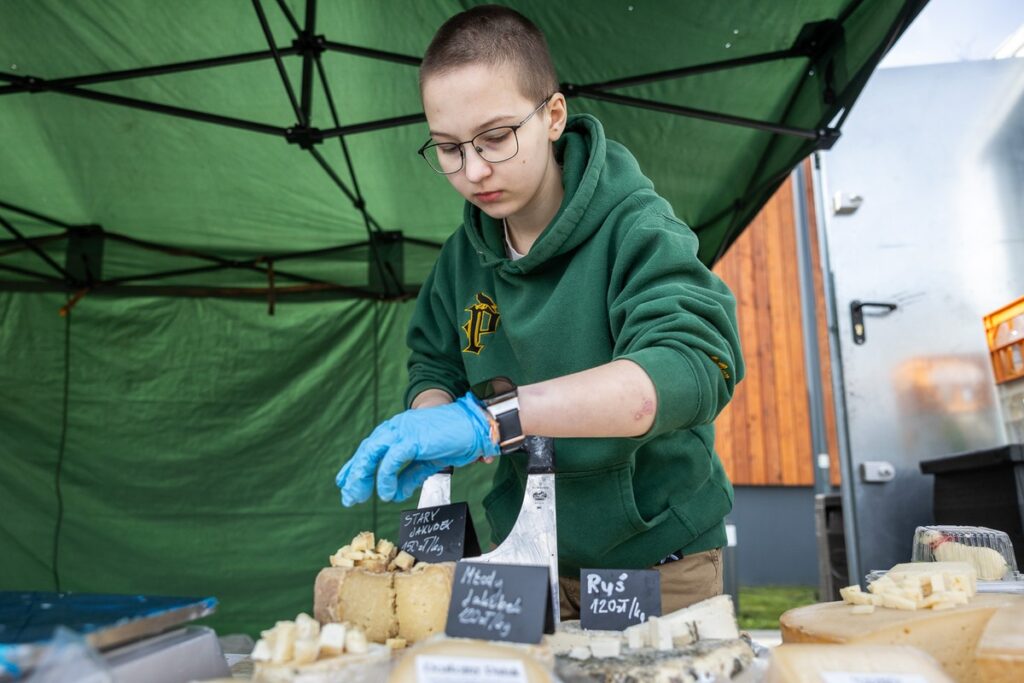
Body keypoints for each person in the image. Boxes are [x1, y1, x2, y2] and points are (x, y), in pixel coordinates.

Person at [336, 4, 744, 618]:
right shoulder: (460, 261)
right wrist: (434, 419)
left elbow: (689, 369)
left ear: (553, 116)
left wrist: (490, 421)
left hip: (658, 558)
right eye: (448, 148)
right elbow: (434, 364)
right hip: (524, 555)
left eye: (496, 137)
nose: (474, 170)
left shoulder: (638, 229)